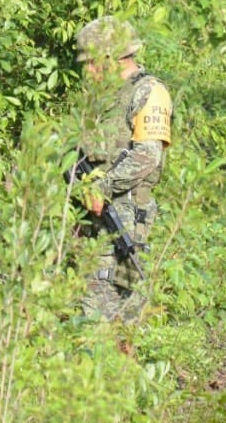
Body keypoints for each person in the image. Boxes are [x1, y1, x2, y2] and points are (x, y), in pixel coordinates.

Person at [71, 16, 172, 322]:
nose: (87, 71)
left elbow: (148, 155)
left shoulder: (148, 91)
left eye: (91, 63)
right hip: (87, 220)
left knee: (107, 307)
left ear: (114, 57)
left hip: (123, 218)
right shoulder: (101, 98)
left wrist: (103, 186)